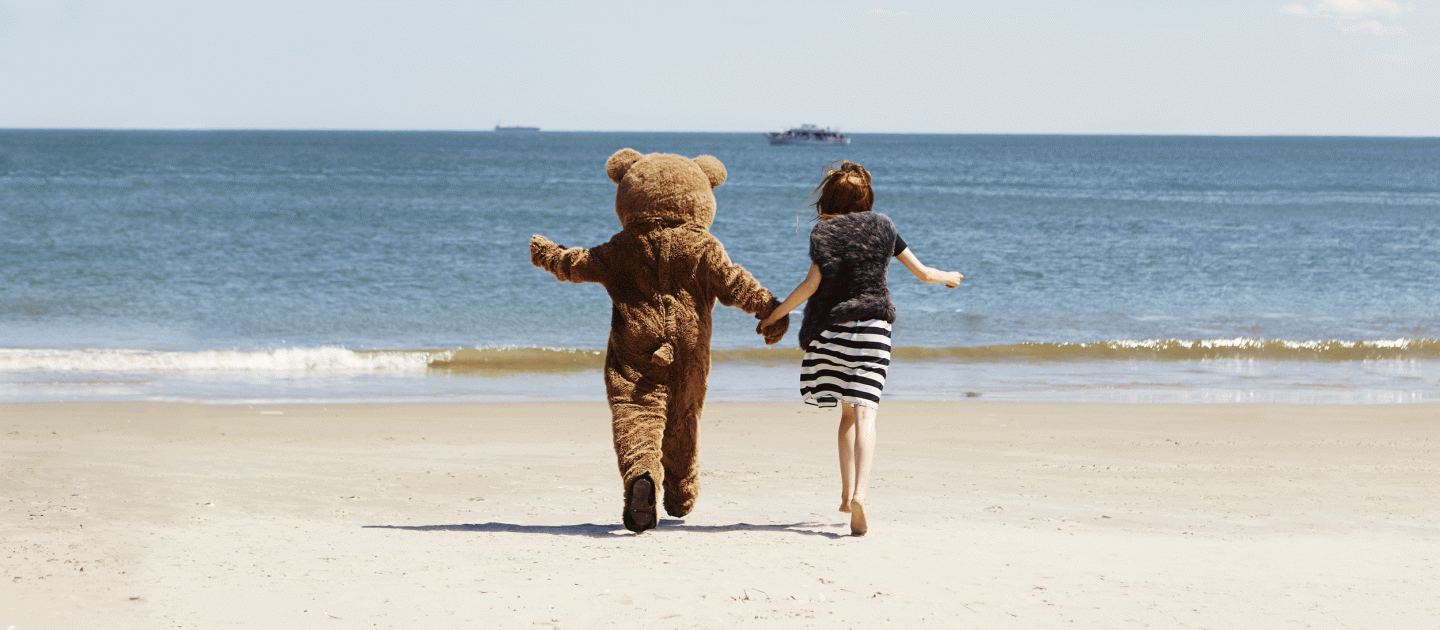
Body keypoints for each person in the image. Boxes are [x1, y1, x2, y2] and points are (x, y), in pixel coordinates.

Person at [758, 161, 963, 536]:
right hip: (873, 327)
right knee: (867, 413)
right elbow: (922, 272)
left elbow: (810, 287)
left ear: (828, 199)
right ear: (867, 198)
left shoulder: (824, 232)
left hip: (834, 330)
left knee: (847, 414)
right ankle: (860, 495)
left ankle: (842, 491)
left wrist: (774, 316)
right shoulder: (884, 228)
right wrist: (948, 277)